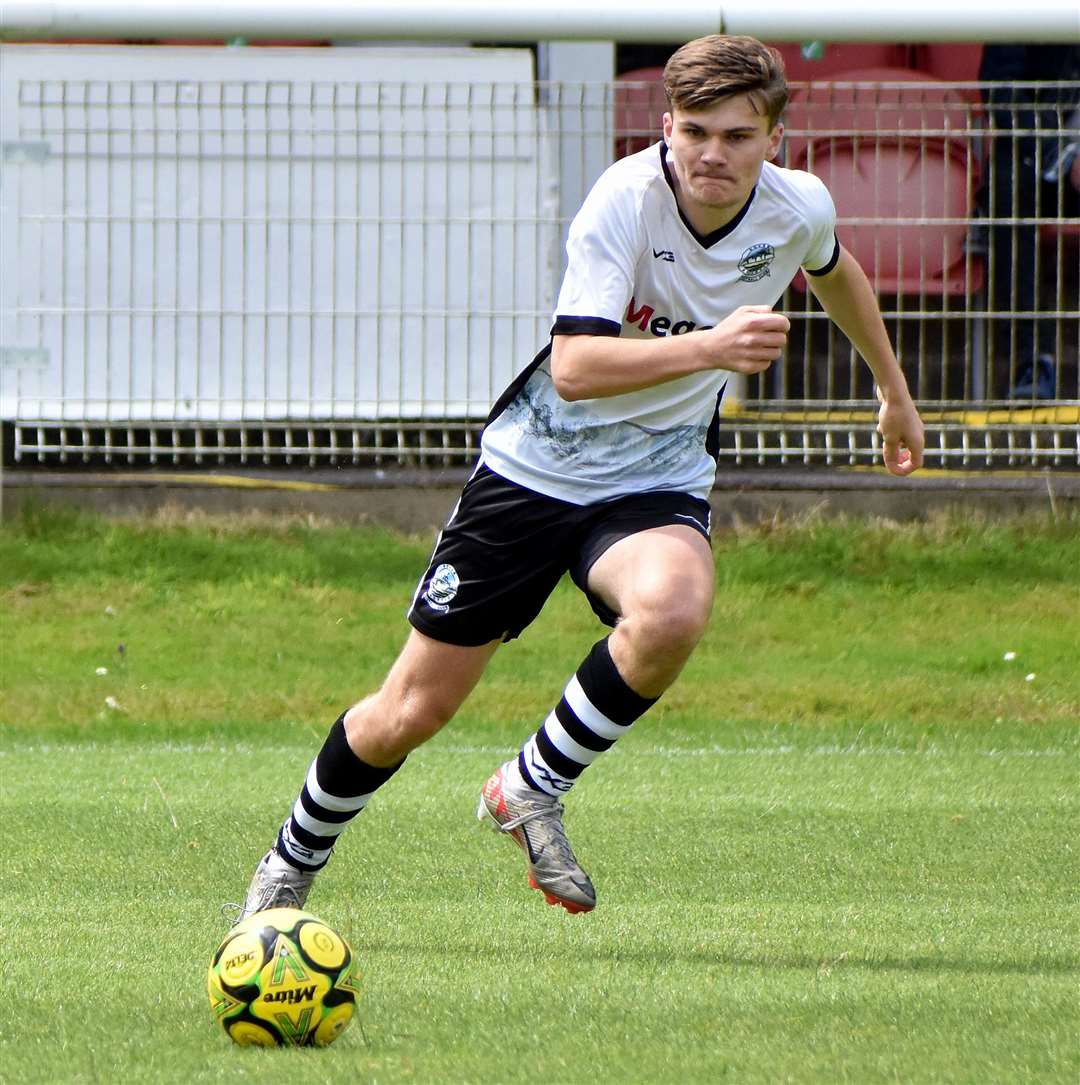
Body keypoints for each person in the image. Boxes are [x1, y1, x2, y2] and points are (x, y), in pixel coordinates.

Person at [230, 34, 925, 921]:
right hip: (533, 472)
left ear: (776, 139)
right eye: (697, 131)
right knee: (411, 708)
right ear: (664, 125)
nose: (715, 153)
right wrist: (713, 348)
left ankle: (531, 784)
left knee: (673, 609)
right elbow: (574, 366)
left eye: (739, 136)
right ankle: (292, 858)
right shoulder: (623, 202)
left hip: (654, 475)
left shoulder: (797, 208)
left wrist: (893, 393)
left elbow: (837, 272)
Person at [978, 44, 1080, 400]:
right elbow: (996, 85)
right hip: (1030, 145)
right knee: (1009, 192)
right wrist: (1044, 141)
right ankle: (1031, 362)